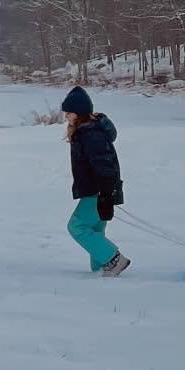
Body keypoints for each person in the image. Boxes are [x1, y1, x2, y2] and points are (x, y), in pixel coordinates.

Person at [61, 85, 129, 276]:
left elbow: (104, 164)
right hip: (100, 190)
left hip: (98, 191)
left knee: (77, 226)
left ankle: (113, 259)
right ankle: (101, 270)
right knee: (94, 230)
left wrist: (106, 194)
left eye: (69, 112)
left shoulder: (91, 133)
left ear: (79, 112)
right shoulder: (87, 130)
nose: (66, 116)